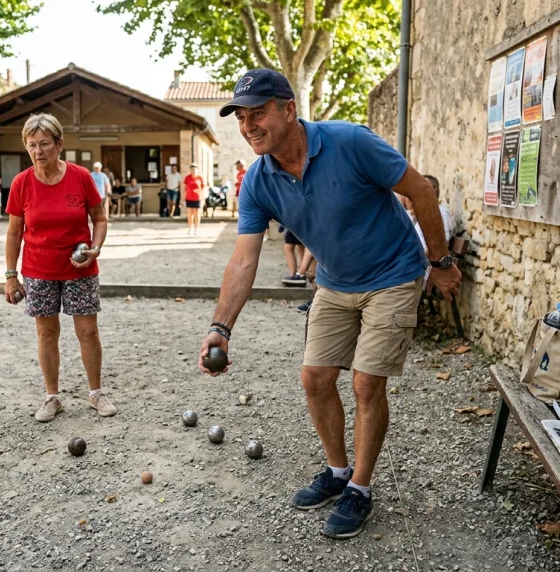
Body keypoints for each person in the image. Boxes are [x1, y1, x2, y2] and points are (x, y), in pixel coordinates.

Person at [198, 69, 461, 540]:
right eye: (241, 117)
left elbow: (420, 191)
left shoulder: (350, 141)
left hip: (394, 274)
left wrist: (439, 262)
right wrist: (222, 326)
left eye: (258, 113)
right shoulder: (258, 181)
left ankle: (360, 487)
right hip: (336, 283)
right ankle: (337, 472)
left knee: (365, 382)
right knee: (315, 377)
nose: (248, 125)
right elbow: (243, 260)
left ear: (288, 109)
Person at [3, 113, 115, 422]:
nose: (38, 152)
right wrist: (11, 276)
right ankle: (52, 397)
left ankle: (95, 393)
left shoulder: (80, 177)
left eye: (44, 144)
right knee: (46, 333)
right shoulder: (21, 183)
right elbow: (14, 232)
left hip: (80, 269)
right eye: (31, 145)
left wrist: (96, 248)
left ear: (59, 144)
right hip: (39, 270)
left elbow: (100, 218)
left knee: (88, 331)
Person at [423, 175, 455, 244]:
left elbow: (443, 240)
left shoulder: (441, 213)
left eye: (423, 188)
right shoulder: (423, 211)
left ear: (434, 189)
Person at [183, 163, 204, 235]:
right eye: (192, 169)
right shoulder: (187, 177)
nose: (193, 171)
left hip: (197, 198)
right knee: (189, 214)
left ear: (197, 170)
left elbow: (203, 188)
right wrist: (183, 198)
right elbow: (185, 188)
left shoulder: (200, 178)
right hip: (189, 198)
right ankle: (190, 228)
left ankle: (197, 228)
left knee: (197, 214)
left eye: (194, 169)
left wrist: (203, 197)